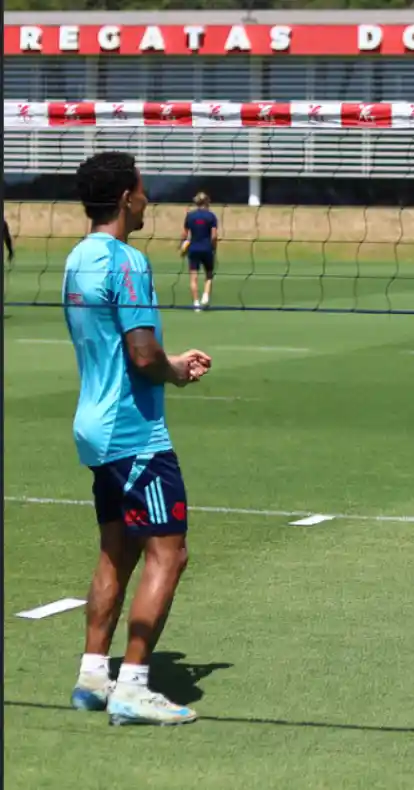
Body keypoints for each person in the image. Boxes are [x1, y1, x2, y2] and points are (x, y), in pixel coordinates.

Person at [65, 151, 213, 726]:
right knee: (169, 553)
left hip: (94, 427)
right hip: (134, 432)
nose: (148, 199)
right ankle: (133, 687)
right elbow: (142, 353)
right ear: (126, 197)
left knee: (116, 549)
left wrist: (163, 361)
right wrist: (176, 369)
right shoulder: (127, 261)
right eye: (143, 189)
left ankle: (92, 675)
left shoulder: (77, 258)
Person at [181, 192, 219, 311]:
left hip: (193, 248)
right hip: (207, 248)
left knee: (193, 277)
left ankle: (196, 303)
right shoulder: (211, 216)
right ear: (207, 202)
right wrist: (214, 247)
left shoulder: (190, 216)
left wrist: (182, 246)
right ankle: (206, 296)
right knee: (209, 275)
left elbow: (185, 234)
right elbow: (214, 236)